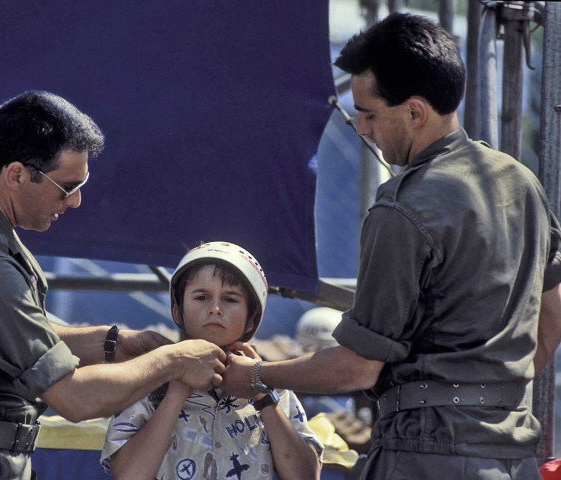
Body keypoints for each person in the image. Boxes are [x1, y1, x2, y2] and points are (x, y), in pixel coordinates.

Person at [222, 13, 561, 479]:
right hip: (512, 455)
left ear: (415, 112)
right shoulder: (521, 183)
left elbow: (358, 369)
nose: (361, 128)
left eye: (369, 113)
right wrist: (490, 395)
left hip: (427, 455)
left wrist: (256, 378)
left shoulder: (404, 207)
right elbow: (551, 319)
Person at [0, 91, 226, 479]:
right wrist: (173, 362)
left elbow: (18, 333)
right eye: (67, 187)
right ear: (16, 174)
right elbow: (75, 398)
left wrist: (118, 342)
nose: (77, 201)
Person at [100, 242, 322, 480]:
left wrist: (262, 394)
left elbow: (305, 476)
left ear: (251, 319)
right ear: (178, 311)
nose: (215, 308)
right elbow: (129, 475)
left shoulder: (273, 387)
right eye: (202, 297)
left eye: (230, 299)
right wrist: (176, 390)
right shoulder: (148, 379)